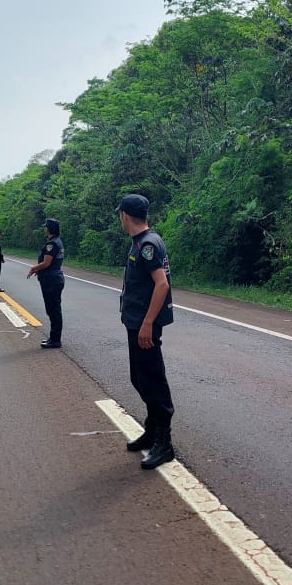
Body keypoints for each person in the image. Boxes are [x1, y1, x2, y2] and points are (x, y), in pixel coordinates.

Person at [116, 194, 176, 470]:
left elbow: (161, 285)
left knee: (152, 379)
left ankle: (164, 443)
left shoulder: (148, 244)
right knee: (139, 378)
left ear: (125, 216)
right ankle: (152, 430)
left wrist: (148, 323)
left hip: (144, 326)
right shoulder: (142, 242)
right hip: (137, 323)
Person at [26, 218, 64, 348]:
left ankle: (55, 340)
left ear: (49, 228)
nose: (44, 229)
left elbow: (46, 263)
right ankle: (54, 338)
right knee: (54, 309)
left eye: (45, 227)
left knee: (53, 310)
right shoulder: (57, 242)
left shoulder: (52, 244)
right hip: (54, 278)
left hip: (51, 280)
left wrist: (34, 268)